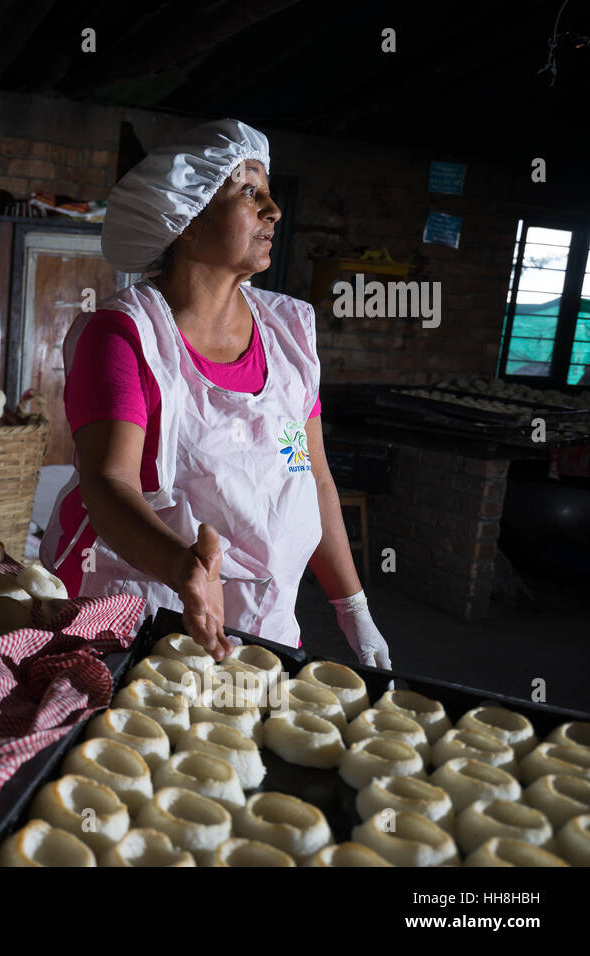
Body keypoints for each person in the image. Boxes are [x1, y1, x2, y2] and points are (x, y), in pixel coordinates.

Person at [40, 119, 391, 668]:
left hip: (268, 624)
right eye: (249, 191)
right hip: (143, 623)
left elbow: (312, 475)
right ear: (186, 219)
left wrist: (355, 611)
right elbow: (108, 485)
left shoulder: (289, 335)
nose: (273, 210)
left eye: (270, 194)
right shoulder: (128, 335)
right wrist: (185, 570)